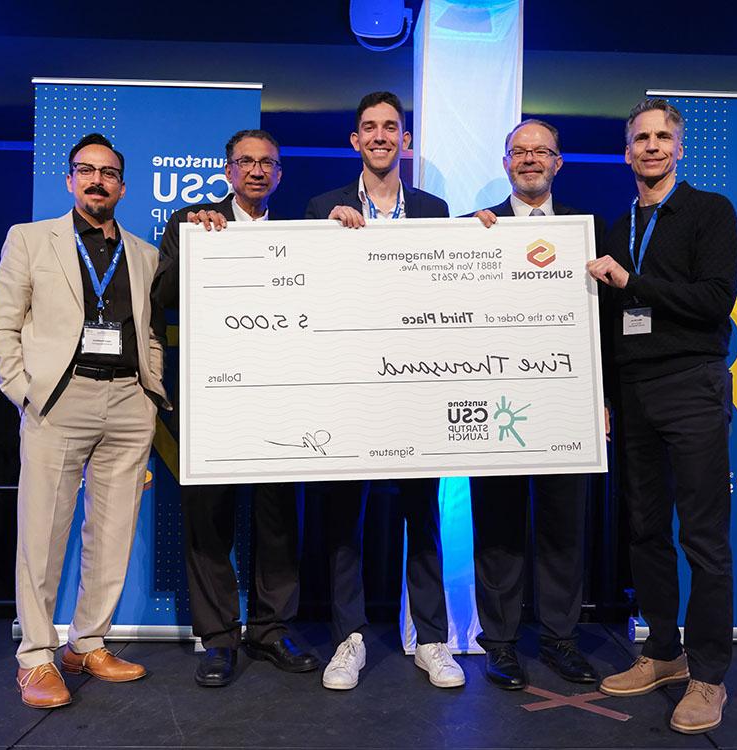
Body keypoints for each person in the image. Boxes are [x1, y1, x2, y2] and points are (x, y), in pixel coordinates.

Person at [0, 133, 168, 708]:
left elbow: (149, 332)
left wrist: (150, 385)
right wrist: (27, 393)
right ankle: (36, 655)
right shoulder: (31, 240)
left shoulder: (144, 252)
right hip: (60, 400)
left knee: (113, 532)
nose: (96, 181)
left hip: (128, 403)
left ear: (122, 185)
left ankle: (87, 643)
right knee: (42, 532)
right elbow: (0, 328)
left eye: (107, 173)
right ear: (69, 180)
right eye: (85, 171)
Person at [587, 98, 737, 734]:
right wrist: (599, 392)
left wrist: (634, 283)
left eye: (662, 137)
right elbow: (598, 317)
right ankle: (662, 652)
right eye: (640, 138)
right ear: (627, 152)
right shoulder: (613, 225)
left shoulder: (710, 211)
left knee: (703, 538)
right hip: (633, 391)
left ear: (679, 148)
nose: (651, 147)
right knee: (645, 530)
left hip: (692, 385)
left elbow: (714, 302)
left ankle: (708, 678)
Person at [304, 90, 464, 691]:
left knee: (422, 515)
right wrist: (325, 237)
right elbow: (308, 290)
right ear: (354, 140)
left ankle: (431, 640)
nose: (379, 136)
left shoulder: (433, 207)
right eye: (368, 127)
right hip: (348, 385)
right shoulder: (324, 205)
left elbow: (447, 287)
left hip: (415, 385)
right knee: (344, 516)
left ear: (406, 140)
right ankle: (350, 638)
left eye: (390, 127)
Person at [152, 129, 319, 687]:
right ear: (227, 171)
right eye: (245, 162)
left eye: (267, 163)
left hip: (281, 400)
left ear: (279, 174)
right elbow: (163, 297)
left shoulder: (302, 235)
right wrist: (200, 247)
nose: (256, 171)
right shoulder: (191, 224)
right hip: (214, 397)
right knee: (211, 521)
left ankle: (271, 630)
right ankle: (219, 638)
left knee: (278, 523)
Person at [468, 119, 606, 690]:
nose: (529, 160)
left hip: (565, 401)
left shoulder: (589, 232)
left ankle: (559, 639)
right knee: (496, 526)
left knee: (562, 528)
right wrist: (463, 242)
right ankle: (499, 643)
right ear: (505, 164)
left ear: (558, 163)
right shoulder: (473, 230)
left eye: (540, 152)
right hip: (493, 401)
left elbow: (608, 326)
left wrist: (603, 398)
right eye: (519, 152)